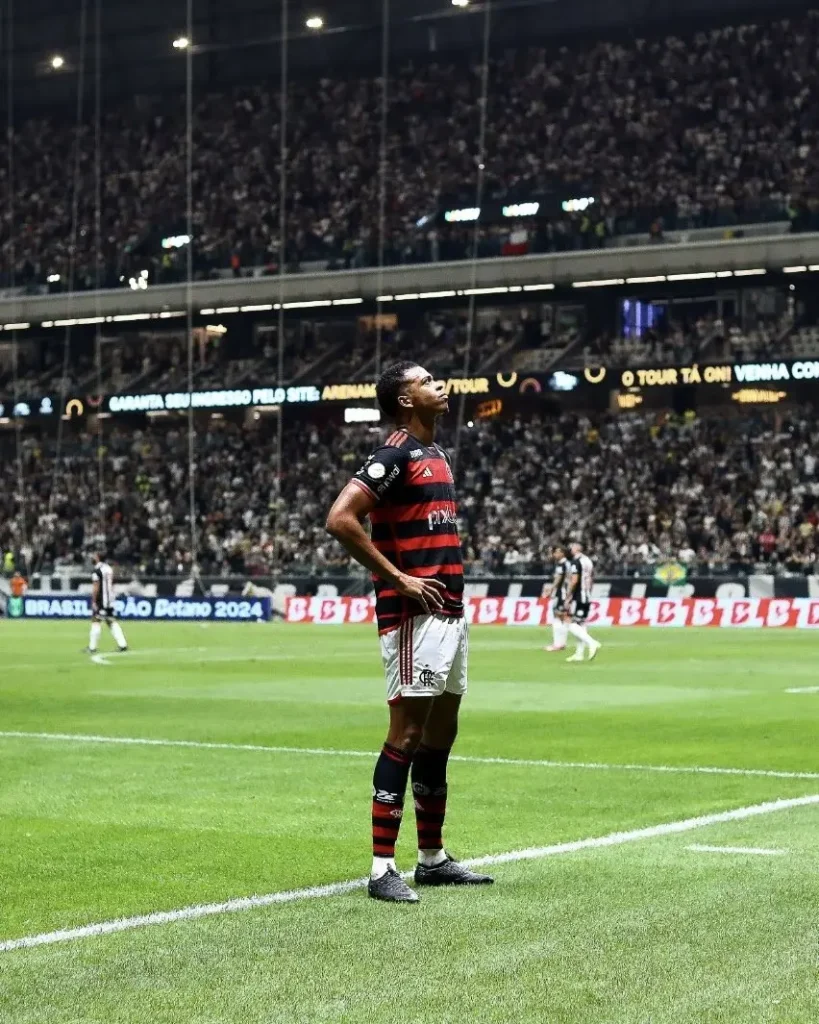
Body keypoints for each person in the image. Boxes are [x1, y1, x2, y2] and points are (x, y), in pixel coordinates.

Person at [326, 361, 493, 903]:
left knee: (441, 736)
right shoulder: (392, 455)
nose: (439, 385)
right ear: (404, 400)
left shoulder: (437, 454)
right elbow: (340, 518)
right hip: (411, 617)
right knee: (406, 735)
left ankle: (432, 859)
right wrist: (399, 577)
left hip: (449, 611)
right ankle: (380, 869)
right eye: (425, 382)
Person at [565, 540, 601, 662]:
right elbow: (591, 578)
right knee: (581, 624)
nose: (570, 548)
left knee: (570, 623)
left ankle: (592, 642)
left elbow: (574, 580)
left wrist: (568, 596)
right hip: (586, 595)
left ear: (577, 548)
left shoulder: (576, 562)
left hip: (578, 596)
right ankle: (579, 654)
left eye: (572, 546)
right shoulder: (588, 561)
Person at [85, 552, 129, 654]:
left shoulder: (97, 571)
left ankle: (92, 647)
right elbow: (111, 583)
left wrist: (93, 601)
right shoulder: (109, 568)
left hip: (102, 600)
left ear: (98, 558)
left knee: (96, 620)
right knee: (111, 621)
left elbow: (96, 587)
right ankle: (123, 644)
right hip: (110, 599)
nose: (92, 557)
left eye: (94, 556)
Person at [543, 544, 570, 652]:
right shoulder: (568, 564)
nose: (554, 554)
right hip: (565, 592)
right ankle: (561, 643)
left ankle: (558, 644)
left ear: (562, 553)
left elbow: (558, 578)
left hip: (561, 592)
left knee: (558, 617)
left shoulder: (562, 564)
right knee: (562, 618)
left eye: (556, 552)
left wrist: (551, 589)